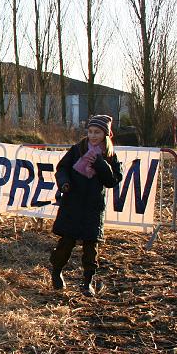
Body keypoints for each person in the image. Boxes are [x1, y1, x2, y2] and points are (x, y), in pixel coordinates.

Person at [50, 115, 123, 296]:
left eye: (97, 132)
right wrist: (64, 183)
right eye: (90, 131)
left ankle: (87, 282)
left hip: (93, 207)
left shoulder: (110, 156)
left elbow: (113, 180)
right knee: (66, 243)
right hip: (72, 204)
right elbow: (62, 169)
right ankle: (57, 272)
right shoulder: (77, 150)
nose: (93, 135)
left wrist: (101, 164)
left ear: (105, 134)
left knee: (91, 248)